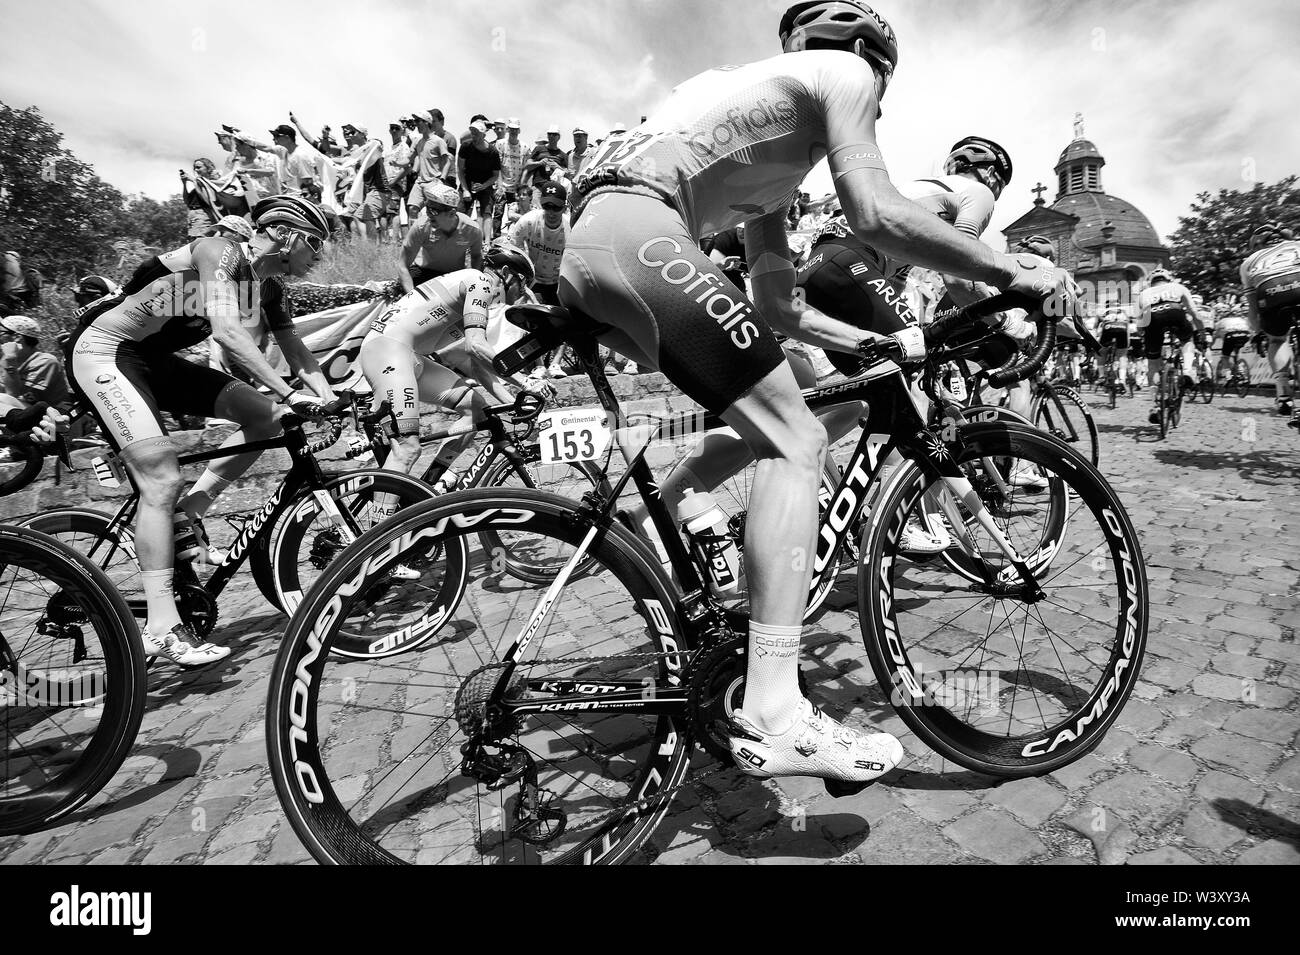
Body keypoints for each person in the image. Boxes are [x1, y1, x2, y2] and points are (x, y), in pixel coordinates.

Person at [561, 1, 1071, 785]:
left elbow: (778, 306)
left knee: (788, 418)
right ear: (876, 58)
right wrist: (1013, 272)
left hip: (599, 239)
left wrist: (862, 344)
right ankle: (774, 710)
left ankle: (678, 527)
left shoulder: (757, 133)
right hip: (640, 230)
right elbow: (876, 211)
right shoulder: (848, 74)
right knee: (795, 443)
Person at [67, 196, 338, 668]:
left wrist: (329, 395)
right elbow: (229, 336)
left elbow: (295, 349)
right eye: (316, 244)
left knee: (267, 418)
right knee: (161, 478)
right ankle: (160, 626)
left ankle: (193, 511)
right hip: (106, 352)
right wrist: (290, 393)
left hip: (153, 362)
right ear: (290, 236)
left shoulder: (269, 287)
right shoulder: (220, 251)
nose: (319, 259)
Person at [360, 242, 548, 487]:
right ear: (506, 273)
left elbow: (476, 364)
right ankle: (382, 523)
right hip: (389, 353)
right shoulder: (480, 283)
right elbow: (476, 346)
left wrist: (513, 403)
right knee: (406, 451)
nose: (522, 291)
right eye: (523, 282)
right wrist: (526, 382)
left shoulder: (470, 294)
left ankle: (429, 486)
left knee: (477, 411)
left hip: (407, 358)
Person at [1239, 222, 1300, 416]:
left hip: (1271, 292)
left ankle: (1282, 391)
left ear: (1257, 245)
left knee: (1277, 340)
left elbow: (1253, 308)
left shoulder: (1249, 261)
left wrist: (1258, 332)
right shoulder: (1297, 245)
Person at [1137, 267, 1200, 424]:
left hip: (1152, 318)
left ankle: (1155, 405)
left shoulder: (1144, 294)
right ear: (1168, 279)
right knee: (1187, 341)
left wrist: (1143, 335)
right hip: (1175, 313)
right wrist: (1202, 330)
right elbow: (1194, 312)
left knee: (1153, 363)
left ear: (1152, 282)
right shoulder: (1178, 287)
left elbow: (1139, 325)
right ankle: (1187, 371)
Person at [398, 182, 486, 292]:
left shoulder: (472, 230)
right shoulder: (421, 227)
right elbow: (403, 265)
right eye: (427, 209)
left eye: (433, 211)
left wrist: (475, 285)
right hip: (424, 272)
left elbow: (477, 257)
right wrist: (411, 296)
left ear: (451, 213)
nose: (428, 214)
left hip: (453, 276)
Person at [506, 181, 569, 306]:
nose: (551, 212)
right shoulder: (528, 220)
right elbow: (512, 248)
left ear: (565, 208)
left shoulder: (572, 228)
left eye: (556, 207)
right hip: (532, 280)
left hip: (560, 283)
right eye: (546, 206)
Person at [1, 315, 70, 413]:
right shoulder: (5, 358)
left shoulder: (45, 362)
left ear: (17, 337)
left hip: (54, 418)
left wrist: (10, 359)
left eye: (1, 333)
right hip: (23, 414)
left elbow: (11, 396)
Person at [457, 120, 502, 239]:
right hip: (467, 181)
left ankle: (486, 242)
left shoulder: (493, 152)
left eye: (476, 133)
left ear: (484, 135)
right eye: (472, 133)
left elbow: (495, 175)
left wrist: (484, 186)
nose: (473, 136)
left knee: (486, 212)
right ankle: (458, 240)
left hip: (485, 184)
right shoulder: (465, 147)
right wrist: (465, 190)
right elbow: (460, 170)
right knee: (460, 211)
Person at [405, 111, 452, 217]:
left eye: (418, 121)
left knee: (433, 213)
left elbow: (448, 161)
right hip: (420, 182)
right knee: (412, 209)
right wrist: (395, 163)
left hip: (434, 182)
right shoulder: (417, 141)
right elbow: (408, 160)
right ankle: (415, 233)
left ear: (426, 122)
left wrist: (442, 179)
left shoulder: (438, 141)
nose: (416, 124)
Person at [521, 125, 568, 208]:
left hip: (554, 189)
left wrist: (557, 167)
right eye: (549, 134)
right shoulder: (539, 149)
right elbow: (527, 165)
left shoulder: (563, 155)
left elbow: (568, 174)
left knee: (551, 211)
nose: (551, 136)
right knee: (536, 211)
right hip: (538, 187)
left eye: (554, 134)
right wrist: (539, 163)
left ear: (559, 137)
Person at [382, 121, 414, 241]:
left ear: (401, 131)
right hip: (386, 183)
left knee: (393, 212)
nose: (394, 130)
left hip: (396, 183)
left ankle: (394, 241)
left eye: (397, 128)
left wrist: (394, 181)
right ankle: (387, 240)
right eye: (392, 128)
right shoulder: (388, 148)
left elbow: (408, 167)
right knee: (385, 212)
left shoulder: (403, 147)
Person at [494, 118, 526, 234]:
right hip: (502, 185)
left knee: (514, 214)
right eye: (511, 129)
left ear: (519, 131)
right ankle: (495, 238)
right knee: (498, 213)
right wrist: (499, 186)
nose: (513, 131)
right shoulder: (500, 144)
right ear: (507, 129)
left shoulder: (525, 147)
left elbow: (525, 169)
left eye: (516, 129)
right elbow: (497, 166)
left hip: (516, 187)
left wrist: (521, 187)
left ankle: (512, 238)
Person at [1097, 304, 1133, 395]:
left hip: (1108, 327)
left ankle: (1101, 376)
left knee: (1101, 352)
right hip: (1122, 327)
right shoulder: (1124, 311)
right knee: (1122, 355)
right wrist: (1127, 346)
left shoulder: (1104, 311)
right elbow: (1128, 327)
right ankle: (1122, 379)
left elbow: (1099, 329)